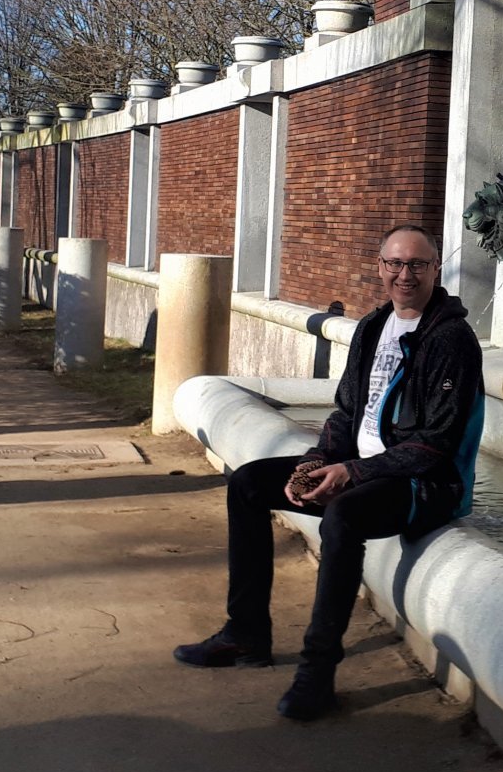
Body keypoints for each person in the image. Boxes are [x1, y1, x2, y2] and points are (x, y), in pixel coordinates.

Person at [173, 223, 485, 720]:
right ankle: (245, 634)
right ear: (380, 267)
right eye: (395, 264)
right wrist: (320, 460)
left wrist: (351, 475)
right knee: (250, 483)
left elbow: (435, 445)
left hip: (419, 484)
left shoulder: (452, 339)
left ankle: (317, 672)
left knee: (344, 516)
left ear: (434, 270)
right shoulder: (372, 326)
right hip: (357, 467)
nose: (404, 275)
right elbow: (345, 413)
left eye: (417, 265)